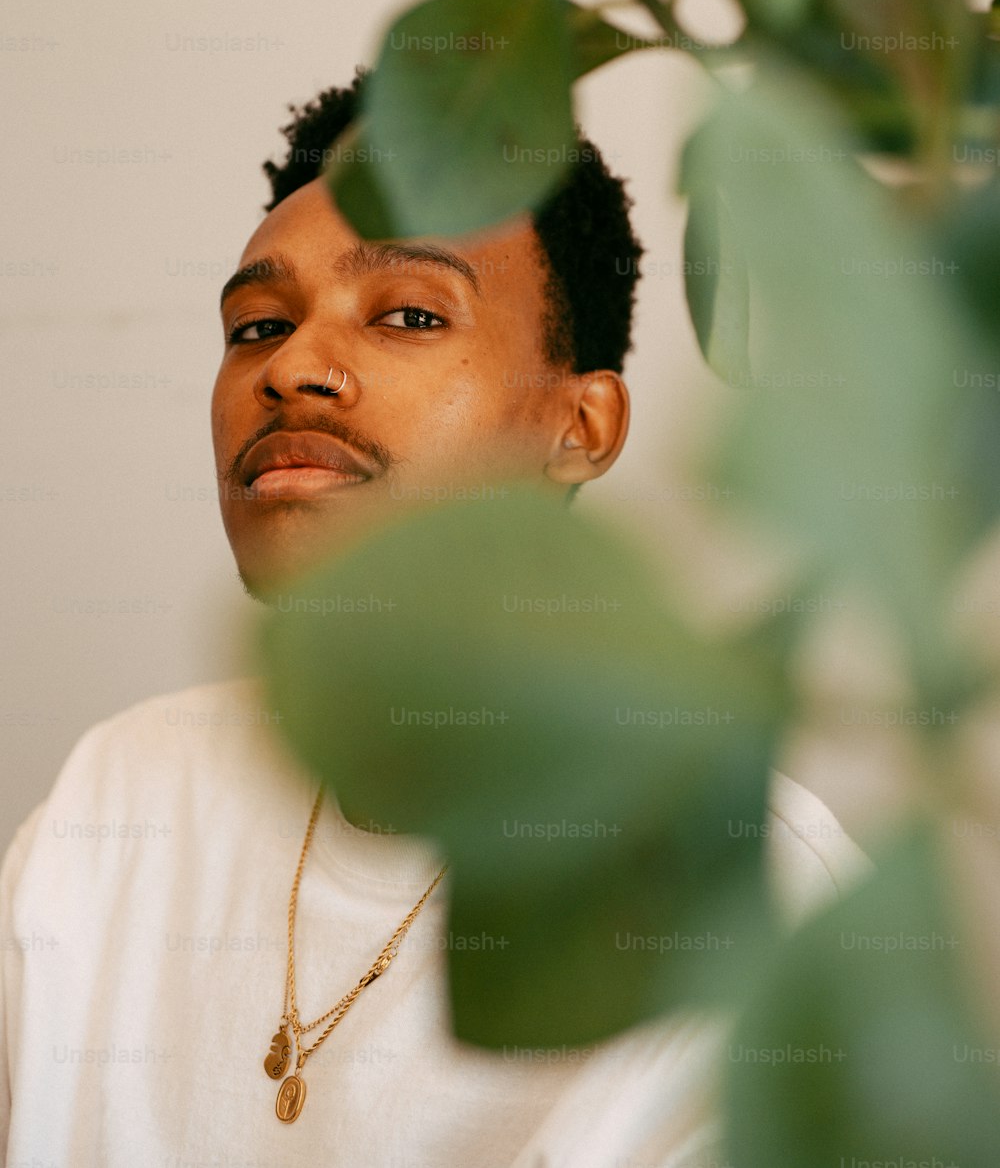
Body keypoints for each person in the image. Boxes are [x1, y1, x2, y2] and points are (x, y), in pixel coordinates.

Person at [0, 71, 872, 1166]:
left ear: (582, 424)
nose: (292, 369)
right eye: (256, 325)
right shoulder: (117, 796)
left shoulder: (747, 899)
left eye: (409, 314)